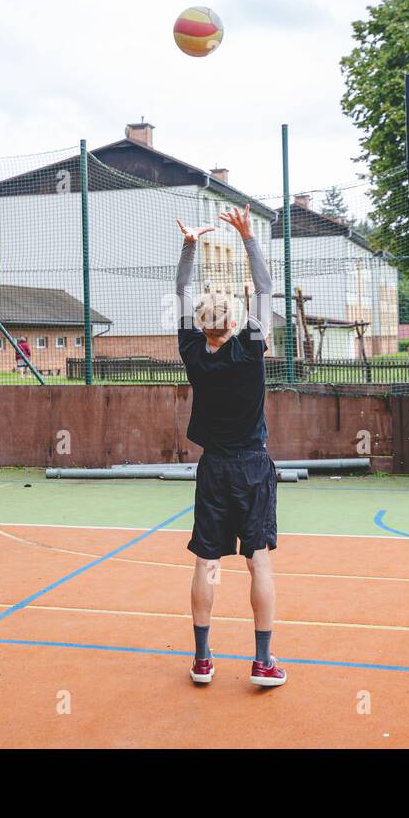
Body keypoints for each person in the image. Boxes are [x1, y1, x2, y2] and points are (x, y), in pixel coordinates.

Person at [174, 205, 285, 688]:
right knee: (257, 559)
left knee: (208, 563)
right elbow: (265, 289)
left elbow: (180, 291)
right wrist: (247, 237)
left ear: (201, 324)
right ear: (237, 322)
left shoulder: (193, 352)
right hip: (253, 468)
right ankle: (262, 662)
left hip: (214, 468)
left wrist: (190, 243)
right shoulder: (251, 350)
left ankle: (202, 660)